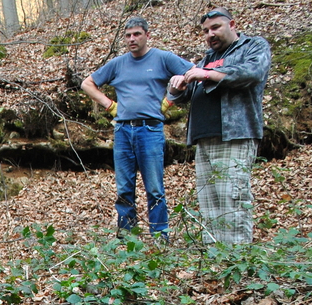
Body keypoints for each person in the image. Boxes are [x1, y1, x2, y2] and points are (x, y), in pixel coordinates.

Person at [167, 7, 271, 244]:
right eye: (205, 31)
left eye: (215, 28)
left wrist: (207, 74)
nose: (210, 34)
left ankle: (236, 262)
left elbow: (252, 73)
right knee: (209, 204)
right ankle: (215, 263)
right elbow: (186, 94)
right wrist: (176, 88)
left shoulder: (252, 47)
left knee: (231, 200)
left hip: (234, 135)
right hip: (204, 139)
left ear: (232, 24)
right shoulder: (206, 59)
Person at [82, 17, 192, 239]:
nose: (132, 39)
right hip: (123, 131)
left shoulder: (162, 58)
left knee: (154, 189)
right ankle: (126, 238)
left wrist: (170, 99)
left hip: (149, 130)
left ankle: (160, 238)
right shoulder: (118, 63)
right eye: (128, 35)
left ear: (147, 35)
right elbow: (87, 83)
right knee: (124, 188)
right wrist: (110, 105)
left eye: (137, 34)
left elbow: (192, 74)